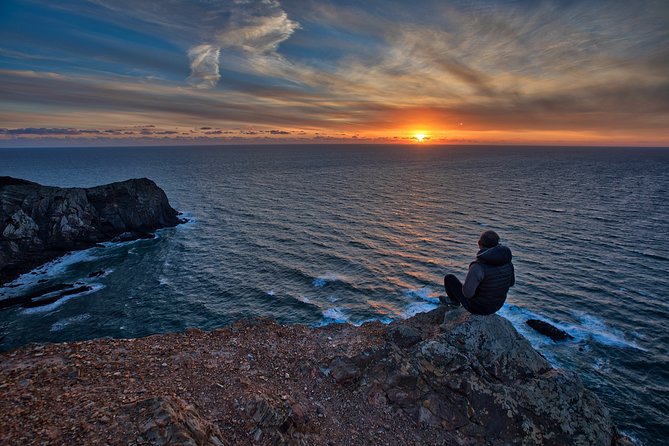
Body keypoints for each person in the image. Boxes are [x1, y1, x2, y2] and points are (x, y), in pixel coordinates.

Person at [441, 230, 514, 315]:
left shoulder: (478, 266)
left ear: (479, 243)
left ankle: (454, 302)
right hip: (498, 305)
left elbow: (467, 294)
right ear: (497, 243)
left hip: (478, 308)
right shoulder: (507, 261)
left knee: (449, 278)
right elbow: (511, 283)